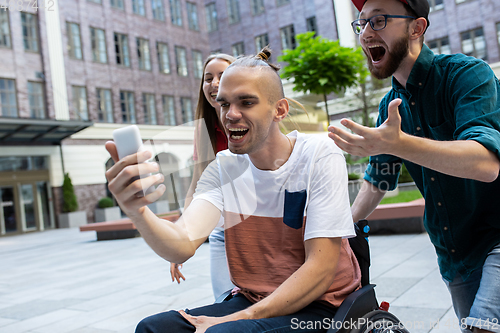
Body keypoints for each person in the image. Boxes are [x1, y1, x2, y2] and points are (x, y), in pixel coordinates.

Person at [105, 47, 361, 333]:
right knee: (153, 328)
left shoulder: (318, 155)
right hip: (252, 298)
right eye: (224, 104)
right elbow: (182, 243)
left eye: (246, 102)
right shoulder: (224, 167)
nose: (231, 114)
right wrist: (137, 211)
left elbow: (321, 269)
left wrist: (236, 319)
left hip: (322, 304)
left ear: (280, 109)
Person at [328, 1, 500, 332]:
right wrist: (339, 233)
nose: (365, 33)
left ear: (416, 28)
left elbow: (487, 163)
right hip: (455, 254)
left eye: (377, 21)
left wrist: (399, 143)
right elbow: (379, 179)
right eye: (361, 24)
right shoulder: (389, 107)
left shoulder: (467, 75)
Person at [170, 53, 236, 299]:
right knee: (223, 300)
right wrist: (180, 239)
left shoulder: (253, 119)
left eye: (222, 76)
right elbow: (196, 184)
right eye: (208, 78)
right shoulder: (204, 128)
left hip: (259, 227)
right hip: (222, 230)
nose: (214, 83)